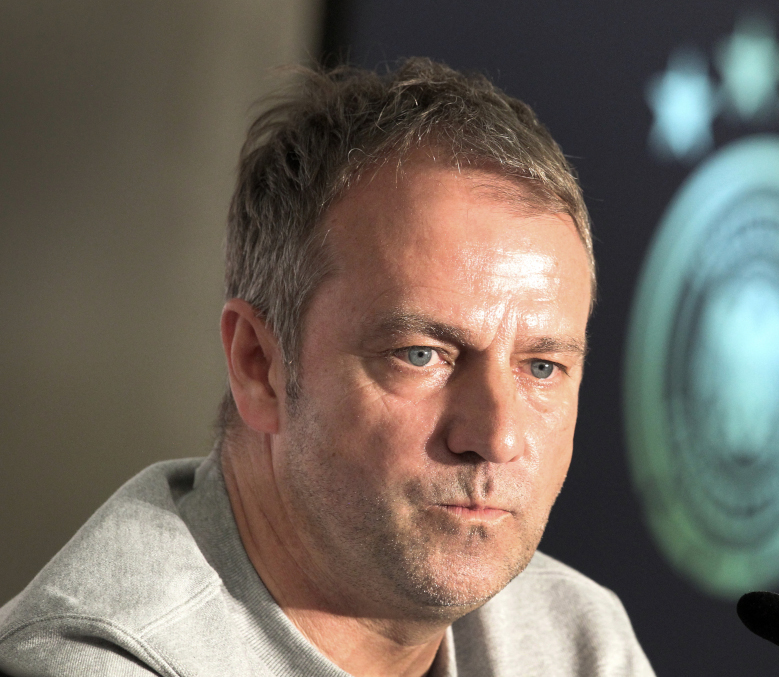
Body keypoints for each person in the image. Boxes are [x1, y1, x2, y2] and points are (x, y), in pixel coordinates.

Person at [0, 58, 655, 677]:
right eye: (422, 355)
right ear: (258, 364)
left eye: (541, 367)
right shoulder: (100, 660)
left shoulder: (578, 641)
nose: (496, 436)